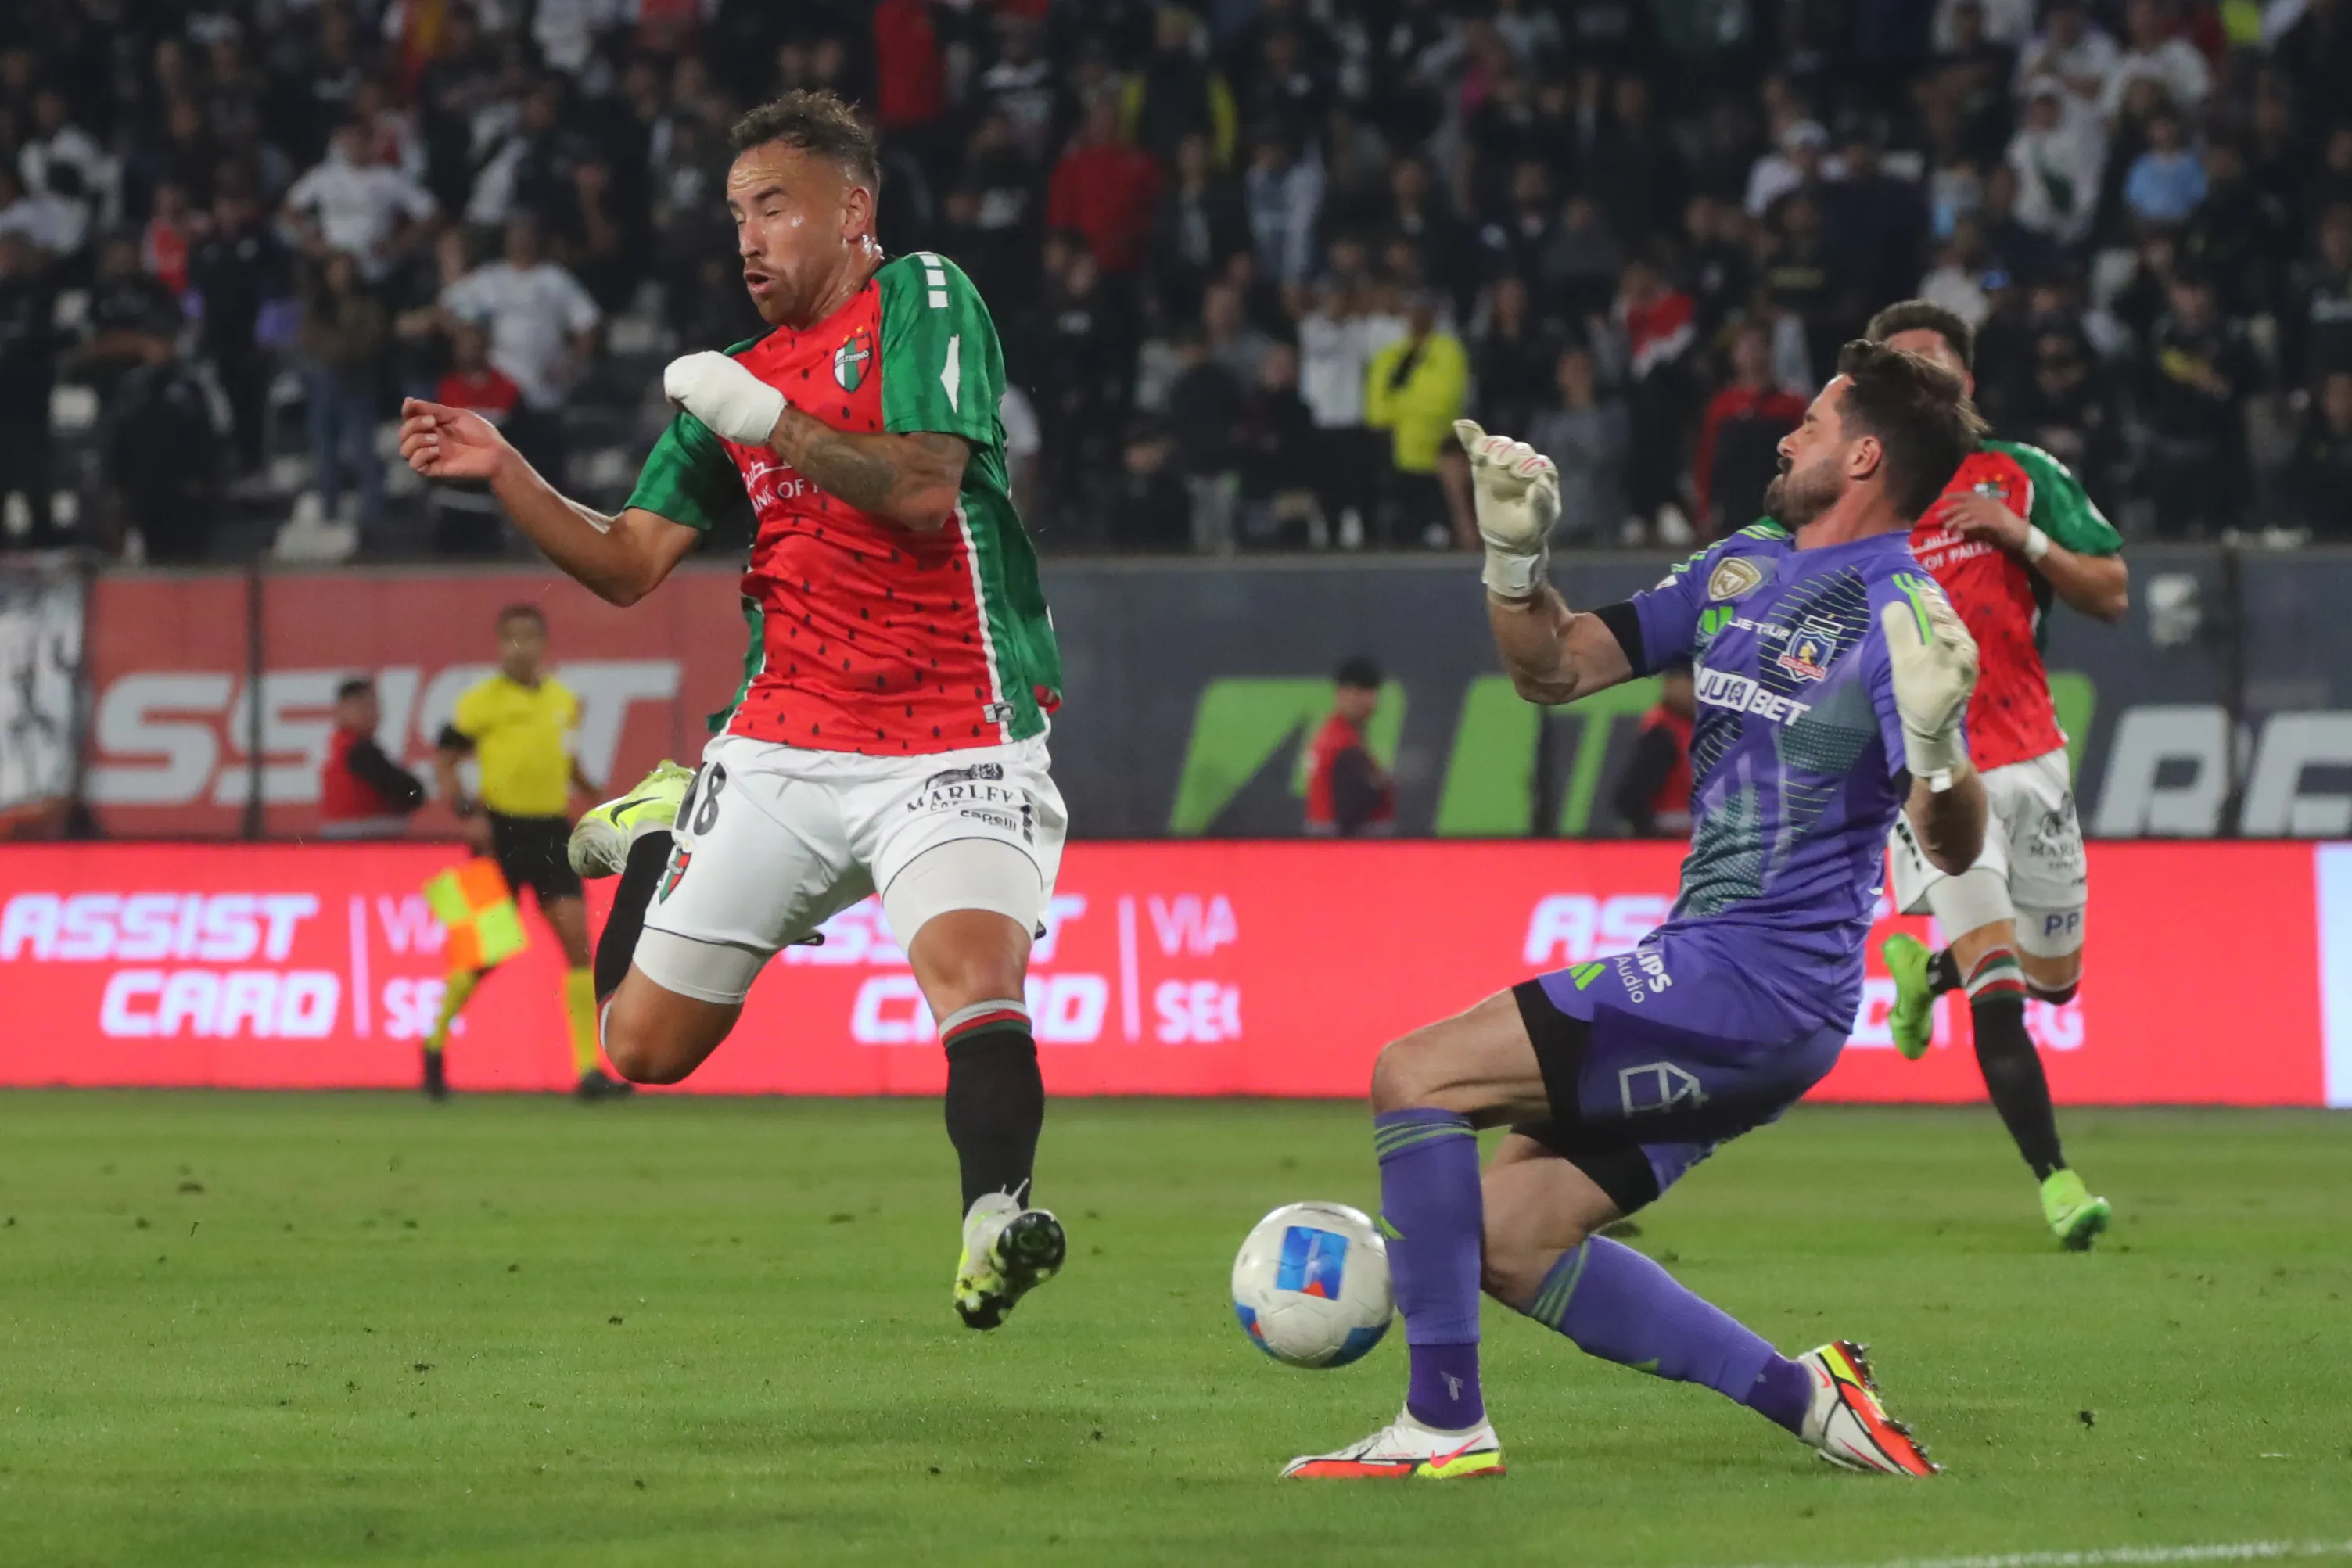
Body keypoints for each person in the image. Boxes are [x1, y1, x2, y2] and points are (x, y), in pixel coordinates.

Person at [397, 91, 1071, 1333]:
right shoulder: (733, 379)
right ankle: (661, 838)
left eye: (772, 207)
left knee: (975, 976)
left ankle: (992, 1220)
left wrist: (764, 418)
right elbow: (626, 561)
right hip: (781, 745)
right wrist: (506, 469)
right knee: (638, 1050)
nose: (746, 238)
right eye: (734, 215)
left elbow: (923, 490)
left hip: (955, 732)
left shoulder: (919, 296)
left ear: (852, 210)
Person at [1284, 341, 1988, 1481]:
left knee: (1413, 1074)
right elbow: (1551, 669)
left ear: (1862, 454)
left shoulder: (1902, 618)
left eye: (1809, 422)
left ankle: (1442, 1424)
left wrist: (1936, 744)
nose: (1783, 434)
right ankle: (1808, 1397)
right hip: (1726, 978)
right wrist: (1512, 562)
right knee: (1507, 1239)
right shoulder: (1743, 565)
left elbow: (1953, 844)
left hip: (1755, 982)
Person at [1865, 301, 2127, 1250]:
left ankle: (1923, 968)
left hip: (2034, 759)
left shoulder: (2019, 475)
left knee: (2054, 984)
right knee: (2003, 991)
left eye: (1932, 368)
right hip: (1934, 772)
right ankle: (2058, 1183)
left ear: (1963, 384)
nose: (1918, 386)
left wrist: (2017, 538)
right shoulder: (1861, 499)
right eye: (1899, 371)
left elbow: (2111, 591)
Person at [427, 605, 626, 1103]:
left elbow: (569, 761)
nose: (522, 647)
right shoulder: (481, 701)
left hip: (552, 830)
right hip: (497, 831)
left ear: (543, 643)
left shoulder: (562, 700)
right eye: (512, 638)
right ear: (499, 644)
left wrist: (600, 799)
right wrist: (462, 807)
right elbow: (447, 755)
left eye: (530, 637)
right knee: (481, 951)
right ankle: (433, 1043)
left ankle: (588, 1072)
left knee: (579, 945)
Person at [318, 677, 426, 838]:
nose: (371, 713)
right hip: (364, 842)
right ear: (340, 710)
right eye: (362, 707)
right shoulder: (358, 751)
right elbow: (407, 791)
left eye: (373, 706)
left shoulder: (341, 749)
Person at [1303, 658, 1394, 837]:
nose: (1367, 703)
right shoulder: (1341, 745)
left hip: (1324, 843)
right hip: (1343, 847)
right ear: (1340, 694)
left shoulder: (1331, 736)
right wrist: (1379, 783)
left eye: (1370, 694)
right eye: (1357, 694)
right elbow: (1353, 804)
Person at [1610, 658, 1694, 838]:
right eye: (1690, 681)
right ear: (1670, 684)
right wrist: (1650, 838)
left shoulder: (1695, 728)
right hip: (1669, 847)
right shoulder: (1662, 734)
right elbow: (1630, 797)